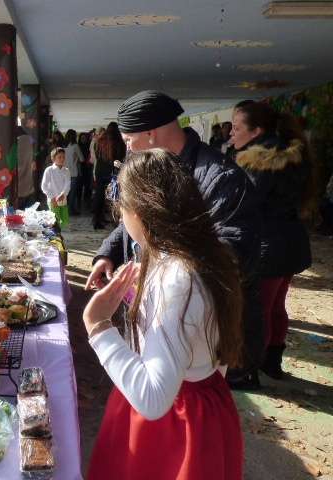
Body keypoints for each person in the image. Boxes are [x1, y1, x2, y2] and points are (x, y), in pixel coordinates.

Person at [86, 90, 262, 390]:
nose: (127, 150)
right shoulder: (153, 166)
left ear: (150, 134)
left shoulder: (221, 178)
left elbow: (234, 253)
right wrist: (108, 253)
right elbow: (136, 220)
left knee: (177, 396)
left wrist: (162, 273)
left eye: (129, 141)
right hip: (160, 316)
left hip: (197, 334)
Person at [84, 149, 243, 480]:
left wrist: (98, 326)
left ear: (138, 212)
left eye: (121, 207)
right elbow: (204, 342)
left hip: (171, 429)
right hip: (203, 408)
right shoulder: (205, 256)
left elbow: (153, 399)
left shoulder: (178, 278)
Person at [231, 102, 312, 379]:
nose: (231, 133)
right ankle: (271, 362)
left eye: (237, 128)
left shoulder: (259, 161)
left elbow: (245, 204)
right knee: (276, 305)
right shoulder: (291, 152)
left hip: (268, 244)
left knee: (258, 310)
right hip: (290, 241)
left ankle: (248, 371)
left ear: (256, 131)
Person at [93, 122, 125, 230]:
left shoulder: (99, 141)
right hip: (112, 171)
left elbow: (97, 155)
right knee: (115, 196)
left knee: (99, 196)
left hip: (100, 170)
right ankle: (115, 221)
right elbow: (120, 157)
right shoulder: (118, 142)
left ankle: (97, 220)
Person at [41, 147, 70, 228]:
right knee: (54, 222)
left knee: (64, 222)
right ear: (53, 159)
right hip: (53, 200)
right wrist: (52, 197)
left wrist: (63, 194)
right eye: (59, 157)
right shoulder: (49, 170)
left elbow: (68, 184)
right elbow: (44, 186)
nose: (62, 159)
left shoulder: (66, 171)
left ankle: (59, 234)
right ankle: (55, 234)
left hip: (63, 200)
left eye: (63, 157)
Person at [64, 129, 84, 215]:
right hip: (73, 172)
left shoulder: (64, 146)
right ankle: (71, 210)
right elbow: (82, 159)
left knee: (65, 192)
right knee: (72, 193)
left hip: (64, 172)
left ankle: (64, 210)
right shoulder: (75, 146)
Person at [17, 126, 36, 208]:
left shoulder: (16, 141)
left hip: (18, 182)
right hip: (29, 180)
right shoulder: (30, 139)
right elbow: (34, 143)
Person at [78, 131, 93, 208]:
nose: (83, 139)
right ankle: (79, 202)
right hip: (80, 168)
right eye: (82, 138)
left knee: (87, 185)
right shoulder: (78, 147)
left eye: (84, 138)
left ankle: (87, 201)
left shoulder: (89, 146)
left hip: (88, 168)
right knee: (79, 186)